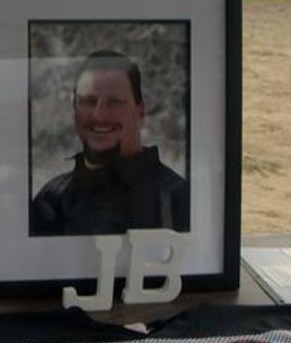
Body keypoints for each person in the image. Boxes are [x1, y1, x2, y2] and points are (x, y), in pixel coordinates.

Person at [29, 49, 189, 236]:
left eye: (114, 102)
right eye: (88, 101)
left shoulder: (177, 199)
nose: (99, 115)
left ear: (140, 111)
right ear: (74, 110)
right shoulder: (51, 201)